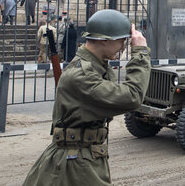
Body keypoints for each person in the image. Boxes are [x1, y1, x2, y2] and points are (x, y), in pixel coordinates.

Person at [23, 10, 150, 186]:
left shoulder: (95, 67)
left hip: (84, 157)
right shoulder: (82, 76)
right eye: (122, 41)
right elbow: (132, 96)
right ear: (106, 40)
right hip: (74, 164)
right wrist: (140, 53)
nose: (123, 46)